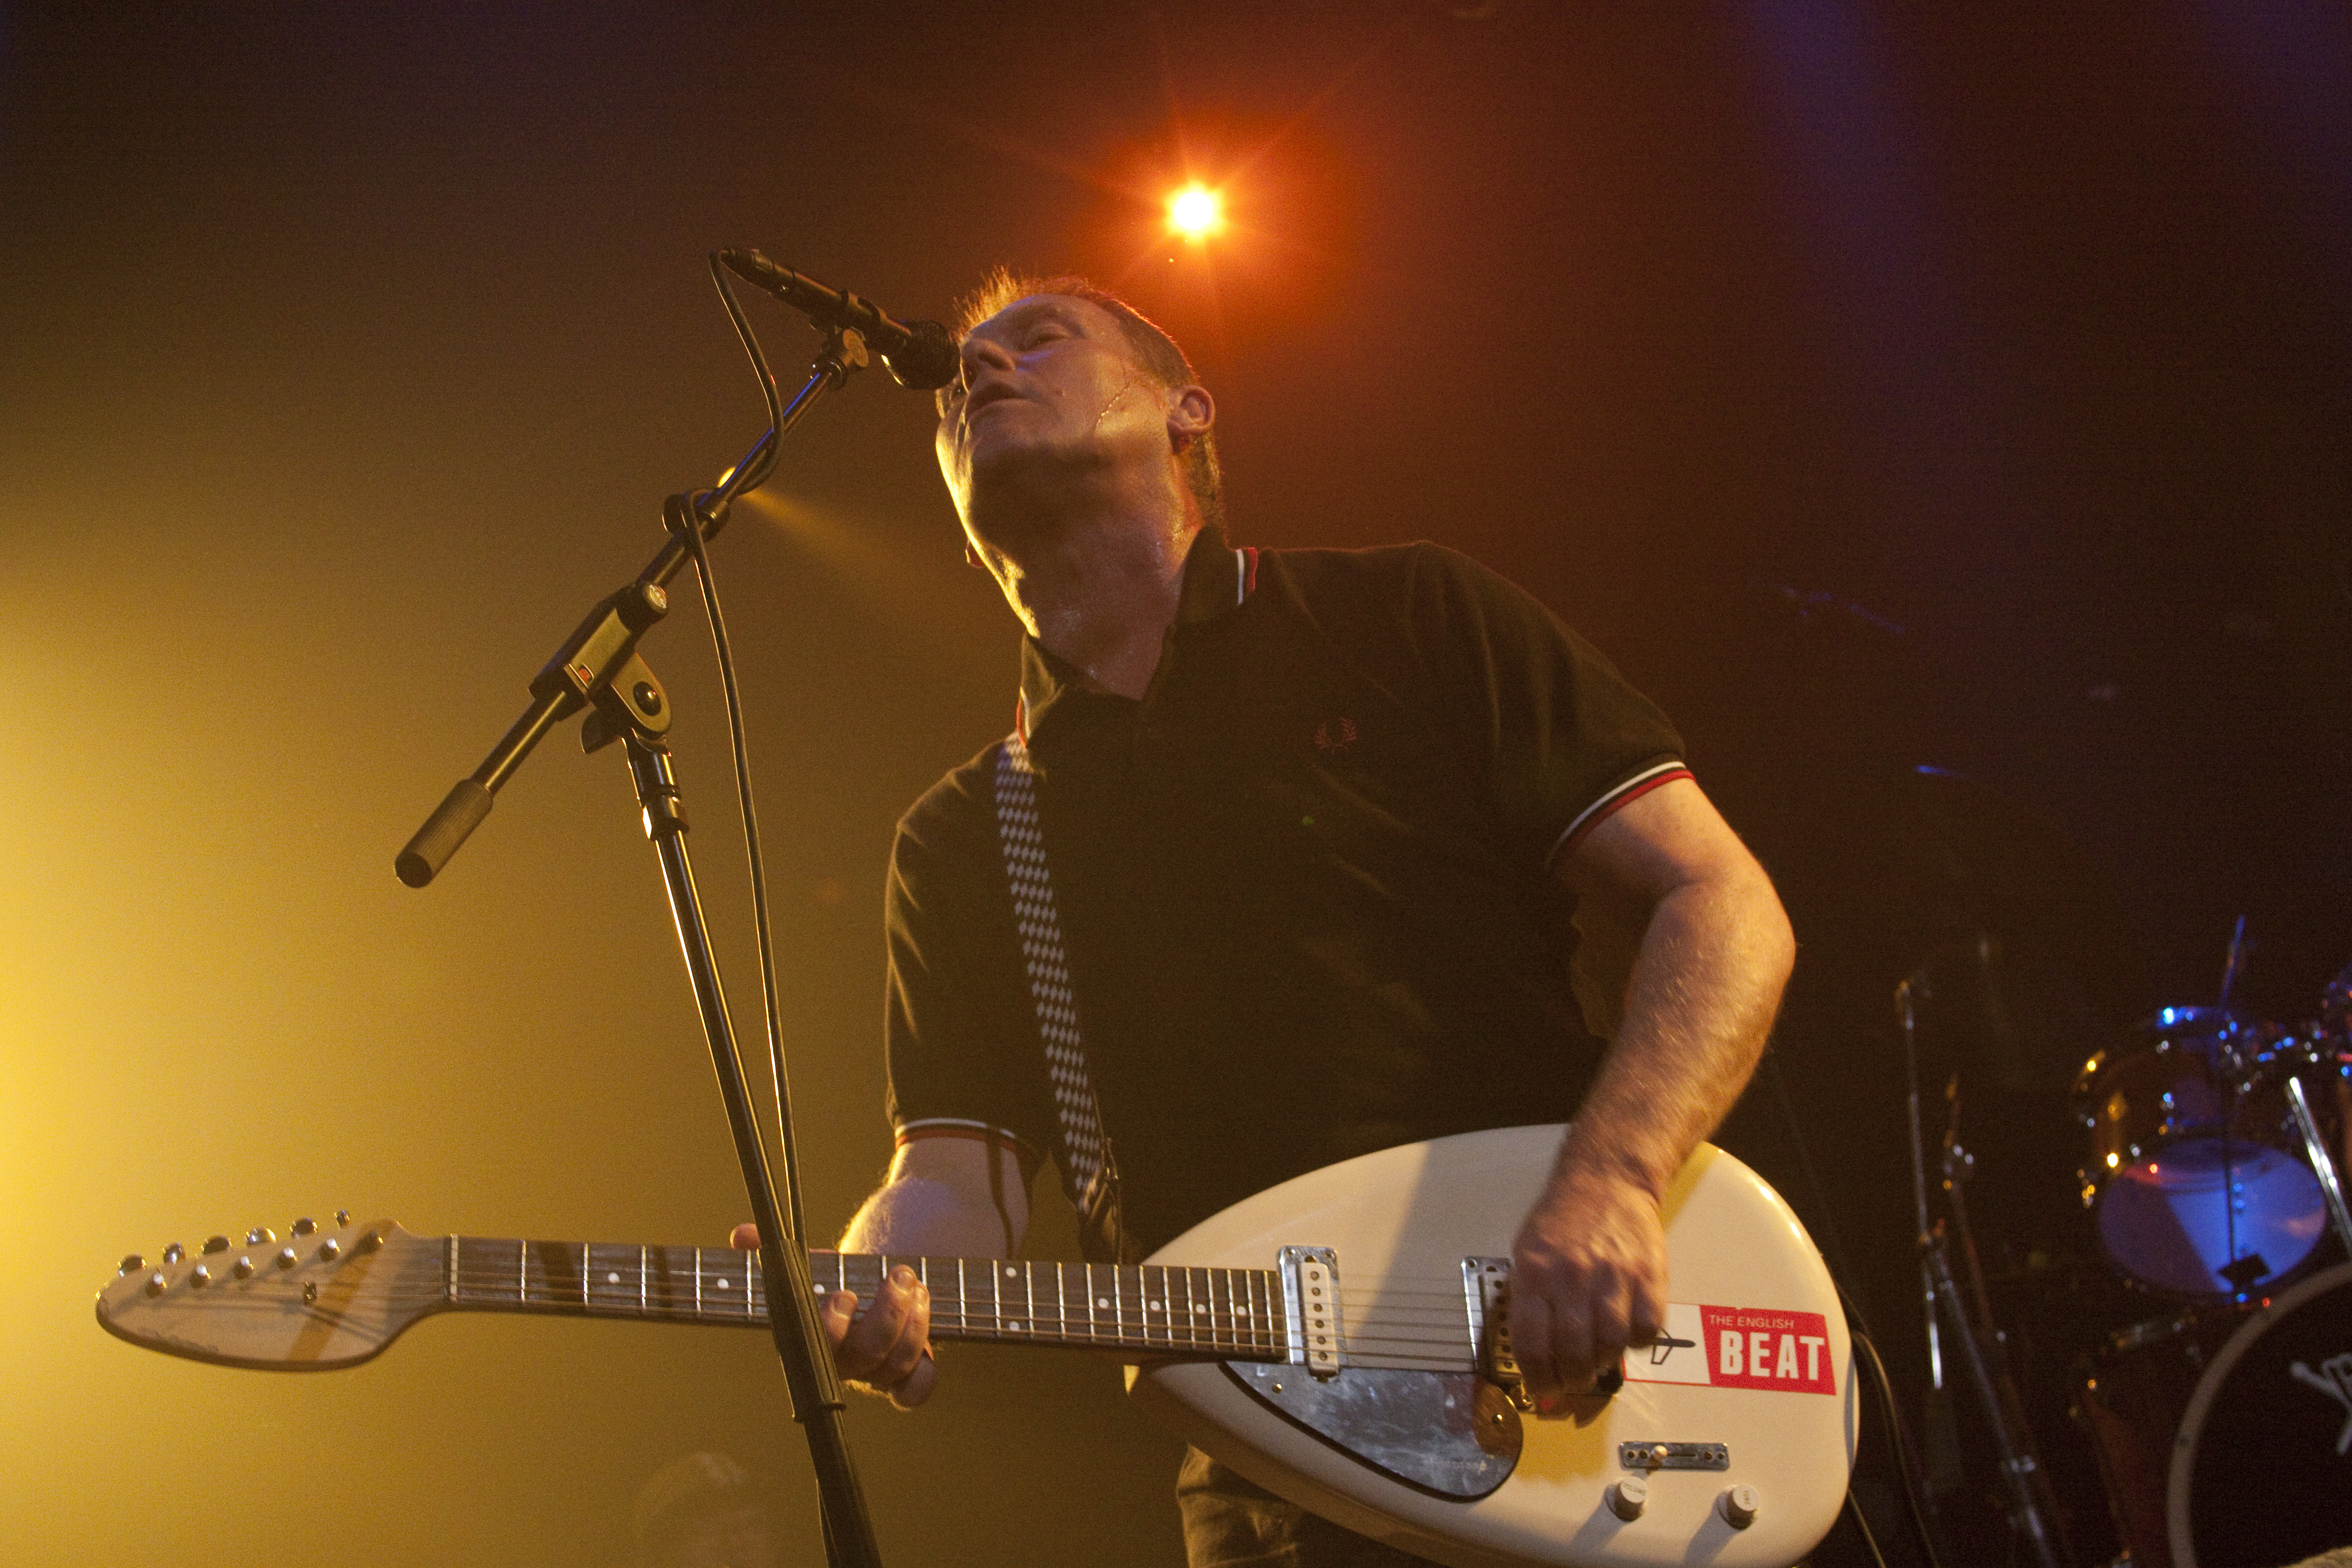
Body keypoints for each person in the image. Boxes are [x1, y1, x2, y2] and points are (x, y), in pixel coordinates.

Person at [736, 271, 1796, 1566]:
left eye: (1040, 340)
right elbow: (952, 1185)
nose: (977, 375)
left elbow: (1720, 899)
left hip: (1583, 1381)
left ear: (1187, 411)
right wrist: (875, 1271)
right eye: (959, 384)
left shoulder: (1406, 618)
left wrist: (1617, 1182)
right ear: (964, 532)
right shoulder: (964, 839)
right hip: (1275, 1492)